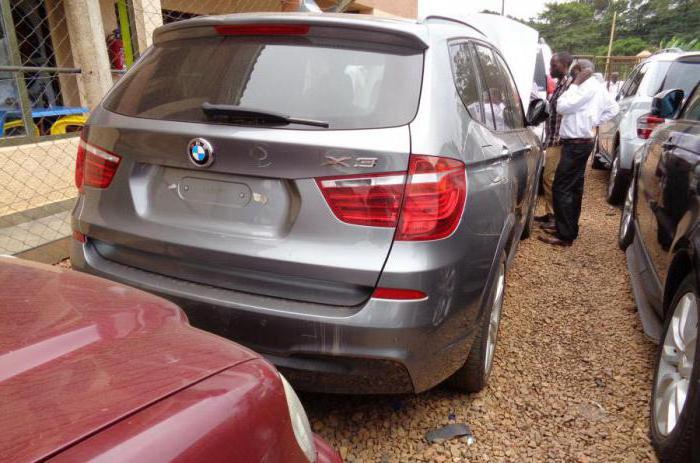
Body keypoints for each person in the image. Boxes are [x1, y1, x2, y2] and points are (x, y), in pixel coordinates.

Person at [539, 59, 620, 247]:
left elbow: (562, 106)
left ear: (582, 71)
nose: (572, 75)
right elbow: (613, 108)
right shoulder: (596, 87)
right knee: (573, 189)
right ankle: (567, 228)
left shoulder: (585, 87)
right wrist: (592, 121)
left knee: (562, 187)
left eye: (575, 72)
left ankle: (565, 234)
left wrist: (575, 86)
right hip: (579, 142)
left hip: (576, 143)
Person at [534, 51, 573, 227]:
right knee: (549, 178)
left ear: (565, 65)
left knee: (550, 178)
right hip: (552, 139)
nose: (550, 68)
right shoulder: (560, 85)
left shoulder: (570, 86)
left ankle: (554, 216)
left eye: (554, 65)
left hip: (559, 140)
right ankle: (550, 212)